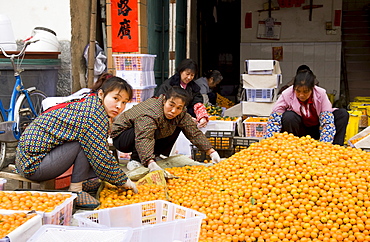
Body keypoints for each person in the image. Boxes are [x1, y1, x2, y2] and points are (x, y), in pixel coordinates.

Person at [15, 73, 138, 208]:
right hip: (33, 165)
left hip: (28, 158)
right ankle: (76, 191)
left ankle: (85, 180)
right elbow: (100, 157)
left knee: (88, 142)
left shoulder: (91, 102)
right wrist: (122, 180)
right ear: (101, 94)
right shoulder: (93, 115)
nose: (119, 106)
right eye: (115, 98)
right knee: (85, 143)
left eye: (124, 102)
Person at [111, 86, 221, 171]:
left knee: (177, 125)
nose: (173, 111)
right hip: (122, 137)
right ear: (164, 101)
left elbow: (193, 132)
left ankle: (156, 155)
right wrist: (149, 162)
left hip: (141, 134)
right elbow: (144, 137)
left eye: (179, 107)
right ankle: (136, 160)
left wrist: (210, 151)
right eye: (171, 105)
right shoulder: (151, 113)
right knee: (148, 129)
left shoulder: (180, 114)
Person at [264, 69, 349, 145]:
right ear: (294, 88)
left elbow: (327, 122)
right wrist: (270, 142)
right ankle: (292, 146)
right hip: (300, 129)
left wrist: (324, 146)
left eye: (305, 91)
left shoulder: (321, 93)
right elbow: (274, 120)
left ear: (312, 89)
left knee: (342, 114)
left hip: (317, 128)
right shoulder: (287, 94)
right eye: (298, 91)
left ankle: (336, 148)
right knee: (289, 116)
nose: (301, 95)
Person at [155, 59, 209, 128]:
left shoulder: (194, 88)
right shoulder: (168, 85)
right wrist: (184, 118)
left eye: (192, 75)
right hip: (168, 123)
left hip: (188, 123)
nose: (189, 77)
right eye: (187, 74)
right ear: (181, 72)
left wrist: (202, 117)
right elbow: (159, 103)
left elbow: (197, 103)